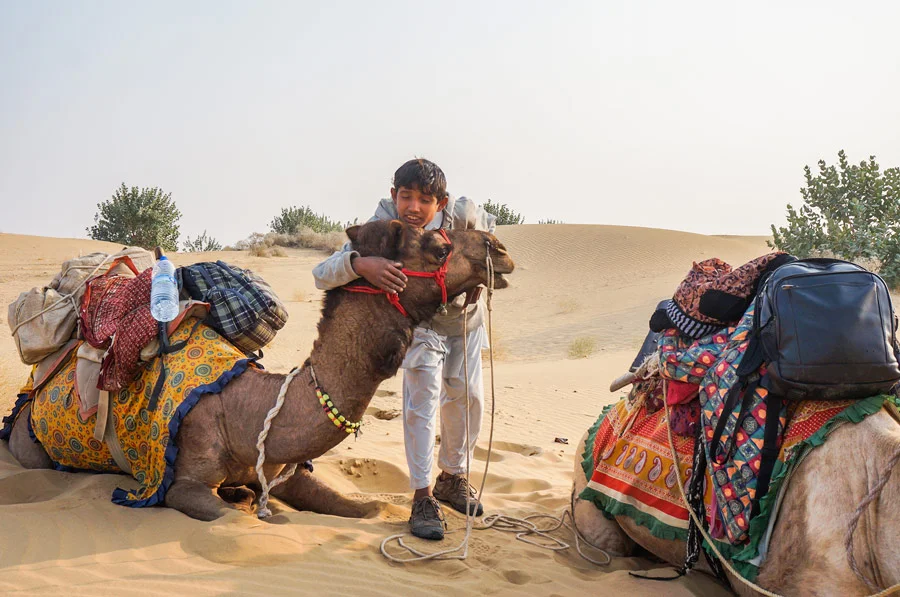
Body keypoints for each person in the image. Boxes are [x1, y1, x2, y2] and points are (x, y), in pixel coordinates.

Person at [312, 158, 496, 540]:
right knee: (421, 401)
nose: (414, 208)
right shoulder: (383, 228)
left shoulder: (462, 215)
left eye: (425, 199)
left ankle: (454, 477)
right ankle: (422, 495)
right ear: (393, 196)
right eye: (406, 197)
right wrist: (361, 264)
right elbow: (321, 273)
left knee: (468, 396)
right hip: (419, 322)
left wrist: (482, 273)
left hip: (464, 320)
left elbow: (490, 243)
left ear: (441, 203)